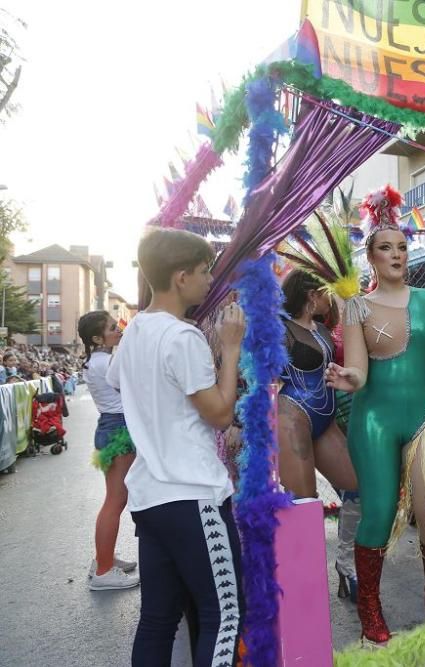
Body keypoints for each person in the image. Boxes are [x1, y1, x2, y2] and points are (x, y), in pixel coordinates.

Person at [329, 186, 425, 645]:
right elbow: (360, 371)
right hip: (374, 421)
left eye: (403, 247)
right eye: (386, 247)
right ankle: (370, 609)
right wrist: (348, 378)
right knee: (380, 513)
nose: (397, 255)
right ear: (370, 256)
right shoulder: (356, 305)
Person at [108, 229, 246, 666]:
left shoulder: (135, 333)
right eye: (205, 271)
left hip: (151, 499)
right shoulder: (182, 338)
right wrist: (230, 347)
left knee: (157, 621)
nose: (210, 281)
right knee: (223, 616)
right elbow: (221, 414)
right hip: (193, 495)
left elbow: (118, 382)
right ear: (181, 276)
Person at [275, 269, 360, 598]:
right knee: (303, 506)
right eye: (326, 292)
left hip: (326, 419)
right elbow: (254, 374)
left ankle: (346, 563)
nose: (330, 297)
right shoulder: (279, 330)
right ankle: (301, 591)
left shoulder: (323, 327)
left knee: (358, 489)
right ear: (312, 295)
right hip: (292, 417)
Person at [79, 311, 139, 591]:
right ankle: (103, 571)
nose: (119, 330)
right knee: (115, 500)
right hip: (119, 428)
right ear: (95, 337)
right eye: (113, 328)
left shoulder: (98, 360)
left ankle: (104, 558)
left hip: (111, 425)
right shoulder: (106, 362)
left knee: (114, 499)